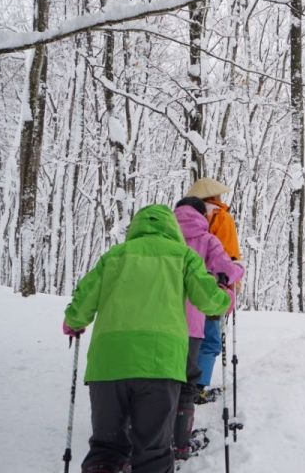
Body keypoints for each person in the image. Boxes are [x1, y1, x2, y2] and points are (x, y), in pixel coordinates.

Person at [62, 204, 231, 473]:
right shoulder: (183, 256)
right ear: (171, 229)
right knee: (152, 450)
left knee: (106, 446)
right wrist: (224, 294)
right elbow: (211, 302)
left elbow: (84, 299)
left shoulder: (114, 256)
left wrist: (73, 322)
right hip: (160, 364)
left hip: (108, 366)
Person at [172, 197, 244, 460]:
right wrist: (236, 271)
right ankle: (180, 443)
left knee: (163, 382)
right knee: (186, 384)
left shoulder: (166, 239)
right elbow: (226, 268)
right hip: (194, 318)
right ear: (203, 214)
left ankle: (152, 436)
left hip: (164, 319)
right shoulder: (207, 238)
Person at [184, 178, 242, 401]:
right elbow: (228, 252)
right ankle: (198, 387)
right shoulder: (221, 216)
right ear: (215, 197)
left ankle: (181, 383)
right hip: (210, 283)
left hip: (180, 287)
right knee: (210, 339)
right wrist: (232, 282)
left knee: (187, 335)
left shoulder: (176, 219)